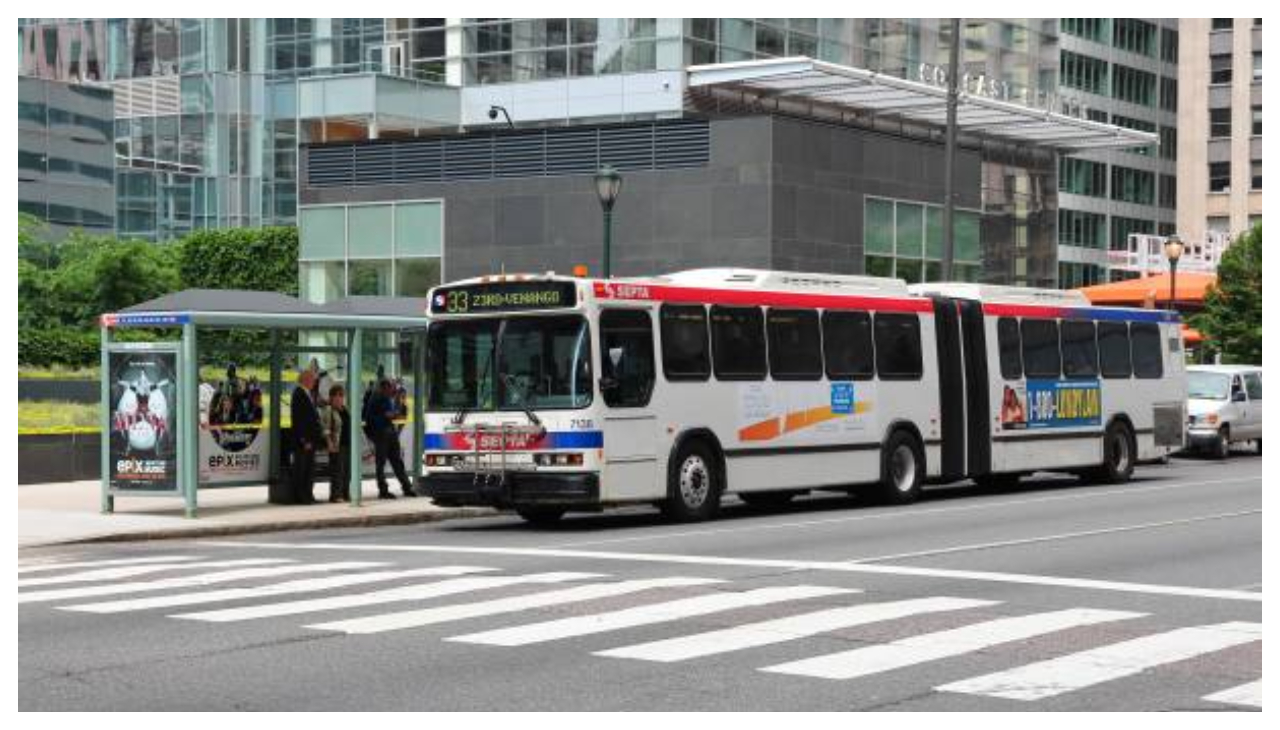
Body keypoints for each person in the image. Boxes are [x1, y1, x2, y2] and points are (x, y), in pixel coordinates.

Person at [365, 378, 415, 499]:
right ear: (384, 388)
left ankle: (406, 487)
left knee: (397, 461)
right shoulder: (376, 398)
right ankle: (384, 490)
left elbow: (396, 413)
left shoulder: (386, 397)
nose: (392, 391)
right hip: (381, 434)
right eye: (390, 388)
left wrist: (395, 410)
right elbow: (369, 417)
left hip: (389, 432)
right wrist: (385, 416)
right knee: (381, 463)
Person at [290, 369, 324, 505]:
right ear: (305, 379)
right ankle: (302, 497)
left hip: (310, 439)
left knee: (310, 469)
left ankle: (308, 495)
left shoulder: (307, 393)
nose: (315, 382)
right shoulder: (298, 393)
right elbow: (299, 419)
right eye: (313, 379)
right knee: (302, 469)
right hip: (304, 441)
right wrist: (305, 439)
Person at [321, 384, 350, 503]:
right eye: (337, 396)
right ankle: (335, 495)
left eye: (341, 395)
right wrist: (329, 443)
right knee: (337, 471)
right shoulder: (329, 410)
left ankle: (345, 493)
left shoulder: (346, 409)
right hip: (336, 445)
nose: (339, 398)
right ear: (331, 397)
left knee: (347, 471)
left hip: (348, 444)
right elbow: (326, 429)